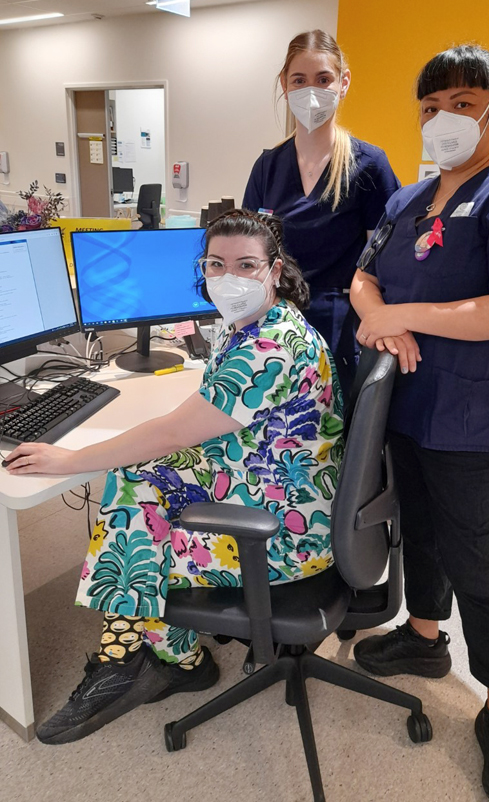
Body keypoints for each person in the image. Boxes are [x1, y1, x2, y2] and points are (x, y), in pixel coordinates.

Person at [7, 209, 344, 745]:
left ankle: (135, 658)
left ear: (274, 270)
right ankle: (166, 655)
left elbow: (170, 434)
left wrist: (65, 458)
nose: (228, 277)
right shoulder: (264, 323)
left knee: (136, 502)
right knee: (138, 478)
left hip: (283, 533)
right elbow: (204, 414)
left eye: (245, 264)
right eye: (216, 263)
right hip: (279, 488)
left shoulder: (269, 346)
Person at [350, 45, 489, 802]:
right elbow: (363, 274)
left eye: (465, 102)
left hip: (474, 416)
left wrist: (400, 315)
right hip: (405, 406)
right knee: (422, 532)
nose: (445, 118)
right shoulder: (409, 200)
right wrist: (379, 318)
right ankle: (425, 637)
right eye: (432, 105)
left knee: (480, 559)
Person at [243, 29, 399, 398]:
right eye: (299, 80)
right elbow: (247, 254)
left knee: (331, 435)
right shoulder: (268, 167)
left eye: (323, 79)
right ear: (284, 84)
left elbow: (387, 263)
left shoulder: (369, 166)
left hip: (340, 324)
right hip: (274, 321)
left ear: (342, 83)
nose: (310, 90)